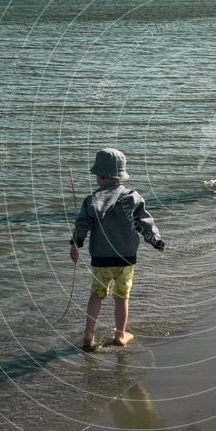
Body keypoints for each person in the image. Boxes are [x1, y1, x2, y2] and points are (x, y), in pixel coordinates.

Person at [69, 148, 165, 350]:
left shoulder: (91, 200)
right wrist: (156, 241)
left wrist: (76, 243)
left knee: (97, 295)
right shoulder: (132, 197)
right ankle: (120, 336)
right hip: (125, 259)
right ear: (120, 175)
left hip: (100, 260)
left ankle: (89, 336)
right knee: (122, 298)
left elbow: (82, 225)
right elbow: (144, 224)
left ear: (100, 176)